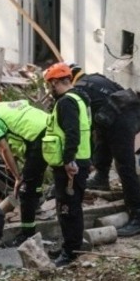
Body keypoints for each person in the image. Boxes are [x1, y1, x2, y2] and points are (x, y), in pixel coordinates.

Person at [68, 62, 140, 237]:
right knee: (101, 136)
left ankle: (138, 217)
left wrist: (82, 158)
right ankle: (101, 177)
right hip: (126, 112)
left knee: (125, 166)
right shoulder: (94, 78)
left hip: (122, 120)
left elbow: (83, 127)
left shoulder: (79, 90)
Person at [0, 90, 48, 247]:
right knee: (36, 174)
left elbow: (4, 149)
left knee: (25, 189)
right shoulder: (12, 105)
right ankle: (36, 204)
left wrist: (17, 177)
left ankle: (27, 234)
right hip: (52, 129)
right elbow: (19, 133)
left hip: (37, 140)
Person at [42, 63, 92, 267]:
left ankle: (71, 252)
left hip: (71, 164)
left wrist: (69, 161)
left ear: (55, 82)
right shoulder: (80, 99)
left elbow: (73, 133)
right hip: (79, 160)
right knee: (70, 207)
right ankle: (70, 246)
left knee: (68, 209)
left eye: (50, 85)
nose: (49, 89)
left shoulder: (66, 103)